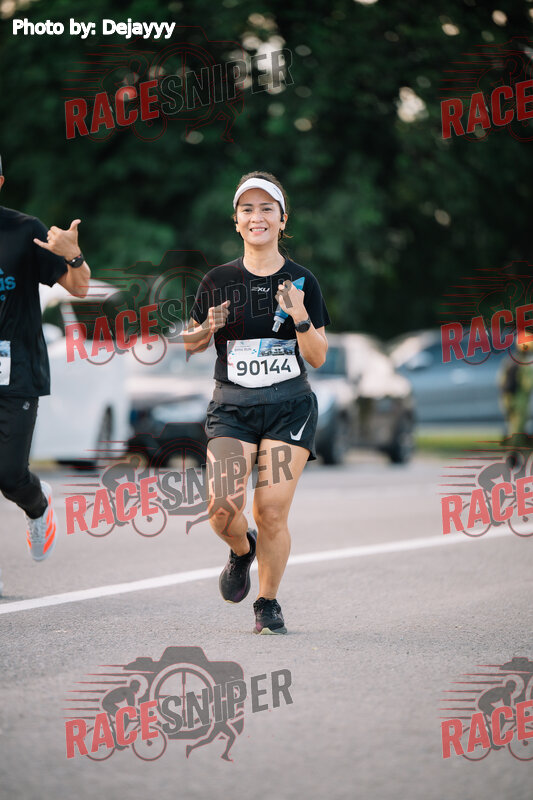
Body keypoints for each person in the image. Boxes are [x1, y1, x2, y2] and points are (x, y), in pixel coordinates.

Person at [183, 171, 330, 634]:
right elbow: (191, 343)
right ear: (236, 221)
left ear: (282, 220)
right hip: (233, 410)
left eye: (267, 208)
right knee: (221, 510)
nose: (257, 217)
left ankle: (267, 602)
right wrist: (206, 327)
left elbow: (318, 357)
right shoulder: (218, 280)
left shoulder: (303, 280)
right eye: (247, 209)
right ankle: (241, 550)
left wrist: (300, 315)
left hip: (289, 409)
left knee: (271, 511)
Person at [0, 154, 91, 593]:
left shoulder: (24, 230)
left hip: (17, 373)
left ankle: (37, 507)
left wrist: (73, 254)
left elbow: (80, 287)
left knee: (8, 475)